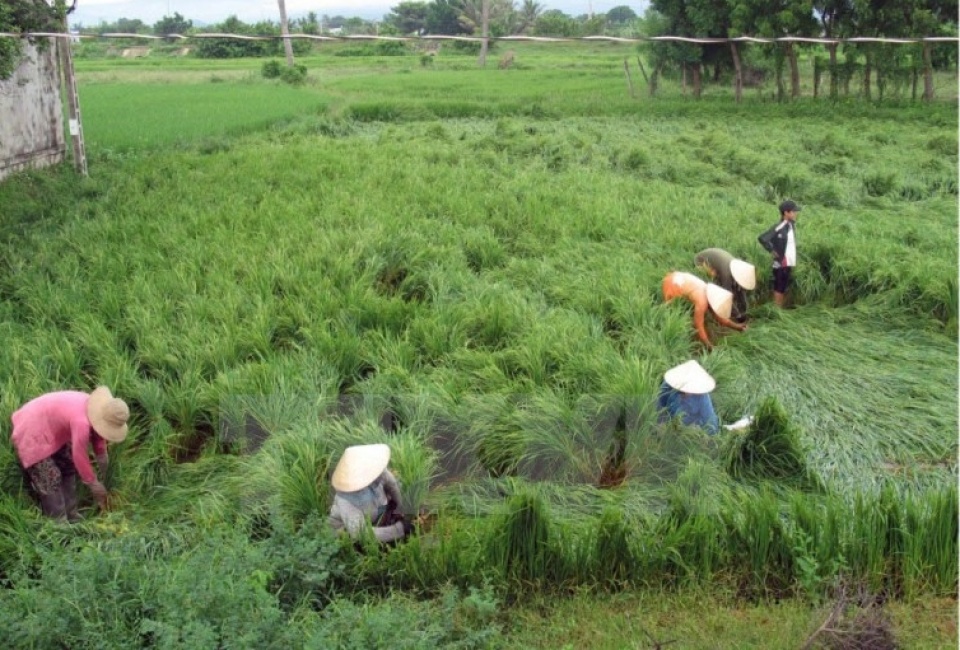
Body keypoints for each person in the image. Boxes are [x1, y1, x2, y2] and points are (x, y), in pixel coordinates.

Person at [11, 386, 129, 521]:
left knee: (67, 466)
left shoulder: (96, 410)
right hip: (32, 427)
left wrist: (103, 461)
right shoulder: (81, 422)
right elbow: (79, 455)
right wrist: (93, 483)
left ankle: (71, 514)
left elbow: (98, 436)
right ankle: (59, 523)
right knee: (50, 477)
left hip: (51, 427)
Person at [328, 443, 413, 544]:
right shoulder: (346, 500)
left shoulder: (375, 469)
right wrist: (398, 529)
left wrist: (402, 507)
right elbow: (360, 533)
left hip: (376, 514)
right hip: (348, 533)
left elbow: (392, 485)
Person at [661, 271, 746, 349]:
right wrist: (708, 344)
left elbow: (718, 316)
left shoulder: (710, 290)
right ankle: (662, 328)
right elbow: (698, 324)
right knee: (670, 311)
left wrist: (737, 326)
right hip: (672, 283)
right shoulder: (702, 302)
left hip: (679, 276)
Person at [656, 360, 720, 436]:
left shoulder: (702, 397)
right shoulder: (667, 387)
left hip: (690, 428)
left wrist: (704, 435)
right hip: (670, 422)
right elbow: (659, 405)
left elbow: (710, 420)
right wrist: (661, 423)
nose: (687, 392)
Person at [694, 248, 756, 323]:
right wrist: (738, 316)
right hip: (700, 261)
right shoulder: (726, 273)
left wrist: (746, 312)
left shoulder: (737, 265)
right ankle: (737, 314)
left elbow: (741, 290)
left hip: (717, 260)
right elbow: (727, 297)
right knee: (717, 283)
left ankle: (744, 310)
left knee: (738, 288)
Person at [758, 199, 801, 307]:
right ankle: (777, 311)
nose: (796, 213)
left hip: (788, 262)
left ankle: (779, 309)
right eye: (793, 211)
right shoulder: (780, 226)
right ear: (786, 213)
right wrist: (772, 251)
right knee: (779, 287)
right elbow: (763, 238)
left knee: (783, 287)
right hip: (781, 262)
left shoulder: (791, 225)